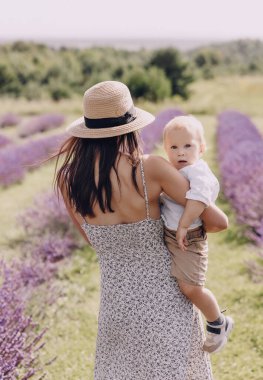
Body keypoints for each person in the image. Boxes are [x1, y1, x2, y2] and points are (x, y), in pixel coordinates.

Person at [54, 81, 228, 379]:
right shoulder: (151, 169)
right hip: (165, 304)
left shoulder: (68, 180)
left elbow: (97, 243)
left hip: (115, 308)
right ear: (129, 127)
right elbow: (217, 222)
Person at [161, 115, 234, 354]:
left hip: (189, 238)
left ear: (201, 148)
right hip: (172, 235)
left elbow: (199, 199)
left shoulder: (198, 172)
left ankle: (217, 322)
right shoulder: (171, 169)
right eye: (174, 147)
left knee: (190, 288)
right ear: (165, 149)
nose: (180, 152)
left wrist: (182, 225)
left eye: (188, 146)